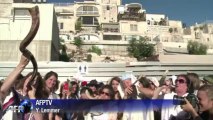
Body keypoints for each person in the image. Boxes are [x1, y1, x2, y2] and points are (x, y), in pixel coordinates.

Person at [0, 55, 48, 120]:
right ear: (25, 80)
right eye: (31, 79)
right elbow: (2, 90)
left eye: (36, 82)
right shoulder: (12, 92)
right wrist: (22, 65)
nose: (33, 82)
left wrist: (32, 96)